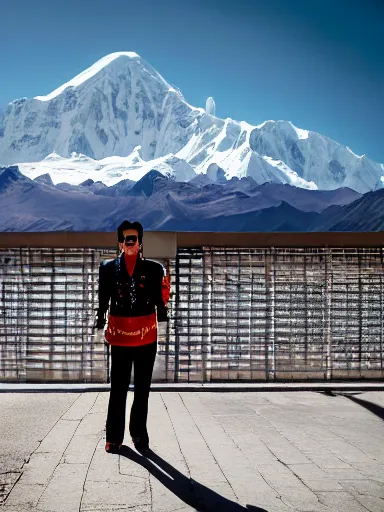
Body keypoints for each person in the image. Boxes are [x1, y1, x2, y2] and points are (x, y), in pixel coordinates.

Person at [95, 220, 170, 455]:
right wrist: (99, 324)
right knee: (117, 387)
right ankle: (114, 436)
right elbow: (103, 300)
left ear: (140, 242)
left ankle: (139, 434)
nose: (130, 243)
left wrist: (164, 324)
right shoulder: (107, 268)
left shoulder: (154, 270)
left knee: (143, 388)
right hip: (119, 335)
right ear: (119, 243)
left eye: (134, 239)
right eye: (126, 239)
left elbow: (160, 302)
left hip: (147, 334)